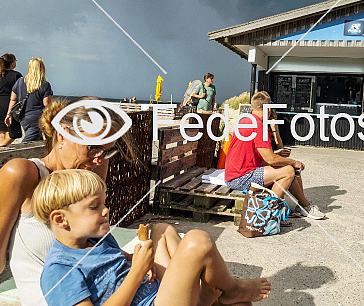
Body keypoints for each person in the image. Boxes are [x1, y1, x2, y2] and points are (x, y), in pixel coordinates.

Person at [0, 98, 135, 306]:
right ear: (62, 134)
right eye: (93, 147)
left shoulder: (90, 172)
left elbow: (96, 248)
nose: (99, 159)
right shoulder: (23, 175)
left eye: (107, 150)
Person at [33, 169, 271, 306]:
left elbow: (116, 262)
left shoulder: (95, 239)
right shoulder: (59, 271)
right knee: (197, 242)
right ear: (60, 219)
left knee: (161, 231)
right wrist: (136, 273)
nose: (106, 210)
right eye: (94, 207)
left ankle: (201, 294)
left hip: (156, 293)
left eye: (104, 203)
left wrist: (135, 259)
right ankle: (232, 290)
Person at [224, 91, 325, 220]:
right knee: (288, 170)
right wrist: (293, 162)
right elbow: (271, 159)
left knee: (287, 167)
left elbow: (259, 155)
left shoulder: (244, 121)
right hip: (241, 177)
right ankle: (268, 213)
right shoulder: (259, 126)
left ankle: (302, 205)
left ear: (252, 107)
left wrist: (280, 157)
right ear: (269, 109)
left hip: (234, 174)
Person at [5, 58, 53, 142]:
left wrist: (9, 114)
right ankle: (14, 155)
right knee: (27, 143)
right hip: (37, 118)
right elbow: (46, 104)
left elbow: (13, 100)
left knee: (37, 141)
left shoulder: (20, 82)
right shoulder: (45, 85)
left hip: (23, 117)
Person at [0, 53, 22, 146]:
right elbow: (21, 91)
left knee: (2, 133)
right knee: (14, 133)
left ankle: (0, 154)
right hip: (9, 104)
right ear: (12, 63)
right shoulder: (16, 75)